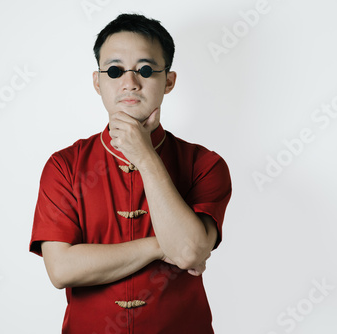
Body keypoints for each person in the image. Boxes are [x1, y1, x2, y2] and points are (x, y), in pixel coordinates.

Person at [29, 13, 232, 333]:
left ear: (169, 81)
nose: (130, 83)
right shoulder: (64, 166)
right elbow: (61, 269)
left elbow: (189, 251)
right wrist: (159, 246)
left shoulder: (204, 164)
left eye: (146, 70)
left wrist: (145, 156)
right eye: (114, 70)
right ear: (98, 82)